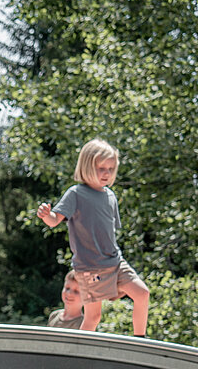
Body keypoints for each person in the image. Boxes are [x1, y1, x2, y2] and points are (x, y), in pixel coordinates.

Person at [35, 138, 150, 334]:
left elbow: (109, 232)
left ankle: (141, 339)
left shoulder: (110, 196)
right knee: (93, 317)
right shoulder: (76, 194)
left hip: (114, 262)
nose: (106, 174)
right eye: (101, 168)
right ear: (87, 167)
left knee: (142, 294)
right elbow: (55, 220)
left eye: (111, 169)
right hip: (89, 268)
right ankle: (79, 353)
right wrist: (47, 215)